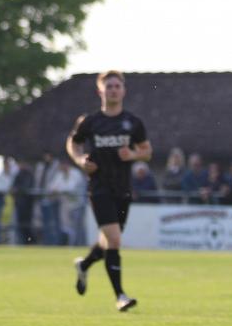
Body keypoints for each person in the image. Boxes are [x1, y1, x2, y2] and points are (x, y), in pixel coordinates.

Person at [67, 70, 152, 311]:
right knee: (114, 240)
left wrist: (133, 154)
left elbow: (147, 151)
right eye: (109, 86)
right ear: (100, 91)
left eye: (117, 86)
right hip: (99, 188)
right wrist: (80, 160)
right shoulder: (90, 122)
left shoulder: (133, 123)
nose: (113, 89)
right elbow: (73, 142)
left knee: (108, 242)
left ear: (123, 91)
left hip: (123, 190)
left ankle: (84, 265)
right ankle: (120, 296)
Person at [34, 151, 61, 245]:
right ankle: (47, 241)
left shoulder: (56, 166)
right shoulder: (41, 166)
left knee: (54, 222)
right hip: (43, 197)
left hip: (53, 197)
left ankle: (56, 242)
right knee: (45, 222)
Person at [11, 158, 35, 244]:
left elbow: (26, 187)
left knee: (27, 224)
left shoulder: (28, 174)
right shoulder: (18, 174)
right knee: (21, 224)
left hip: (27, 204)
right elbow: (14, 186)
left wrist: (17, 190)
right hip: (19, 203)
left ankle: (30, 241)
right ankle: (25, 241)